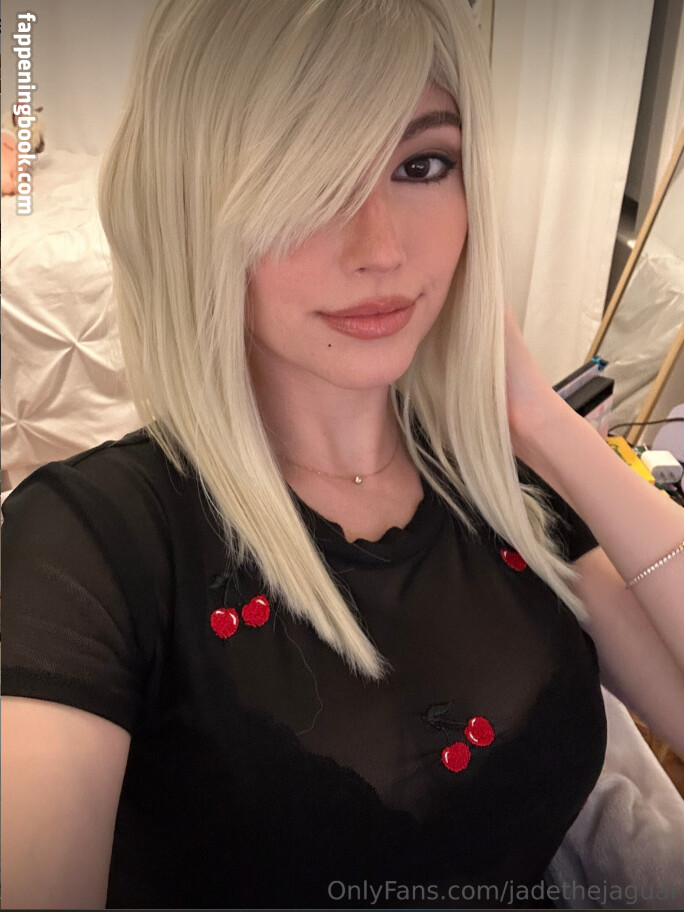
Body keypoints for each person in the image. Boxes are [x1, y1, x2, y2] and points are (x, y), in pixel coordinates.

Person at [2, 0, 684, 909]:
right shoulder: (90, 543)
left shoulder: (503, 481)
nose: (382, 248)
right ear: (190, 207)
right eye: (310, 175)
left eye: (422, 165)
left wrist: (539, 420)